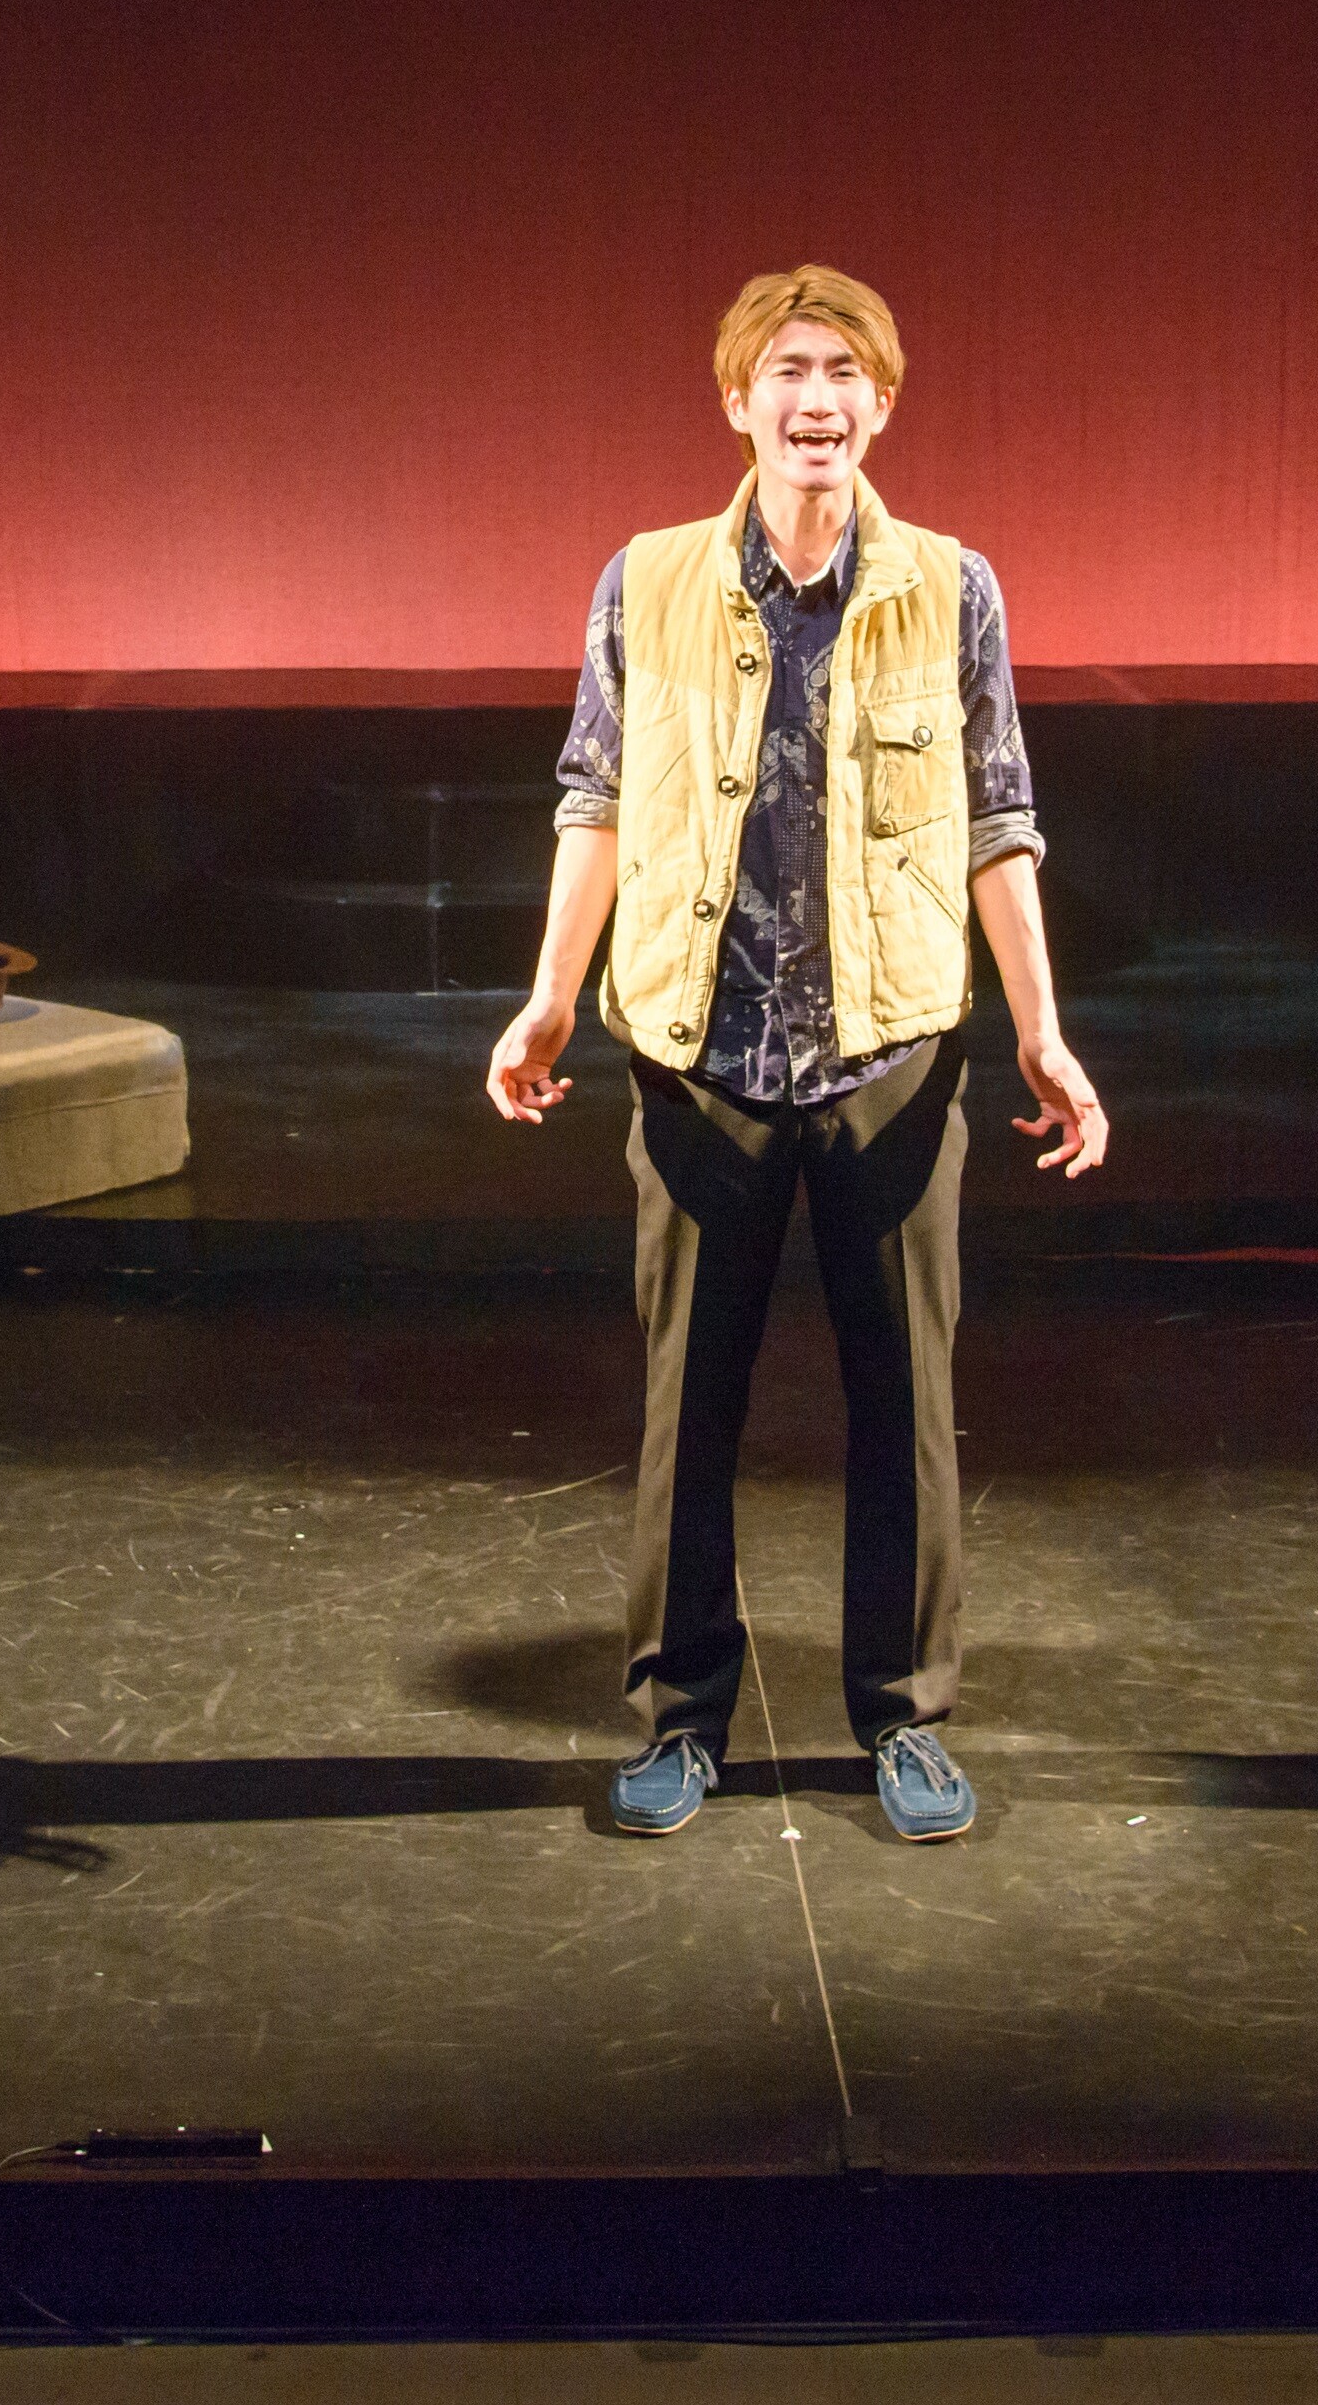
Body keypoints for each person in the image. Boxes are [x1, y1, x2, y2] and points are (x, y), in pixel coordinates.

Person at [488, 265, 1109, 1849]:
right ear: (738, 400)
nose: (815, 396)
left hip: (890, 1054)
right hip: (699, 1055)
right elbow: (594, 798)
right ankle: (682, 1719)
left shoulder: (954, 588)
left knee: (906, 1402)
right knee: (686, 1406)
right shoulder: (646, 581)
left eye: (843, 370)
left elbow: (1000, 818)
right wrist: (549, 997)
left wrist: (1042, 1031)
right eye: (788, 369)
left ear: (880, 403)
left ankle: (903, 1718)